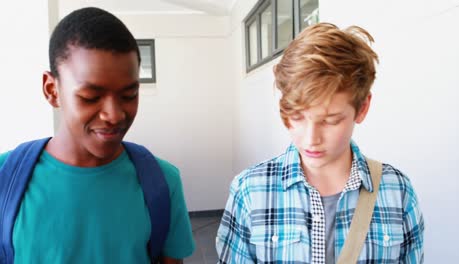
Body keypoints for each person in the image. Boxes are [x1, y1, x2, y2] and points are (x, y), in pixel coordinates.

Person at [216, 22, 424, 263]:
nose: (310, 139)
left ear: (362, 107)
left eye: (330, 120)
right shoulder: (249, 190)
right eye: (297, 117)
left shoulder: (398, 191)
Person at [0, 7, 194, 264]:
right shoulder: (6, 178)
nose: (114, 115)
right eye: (90, 97)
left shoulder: (162, 181)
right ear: (52, 90)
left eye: (129, 95)